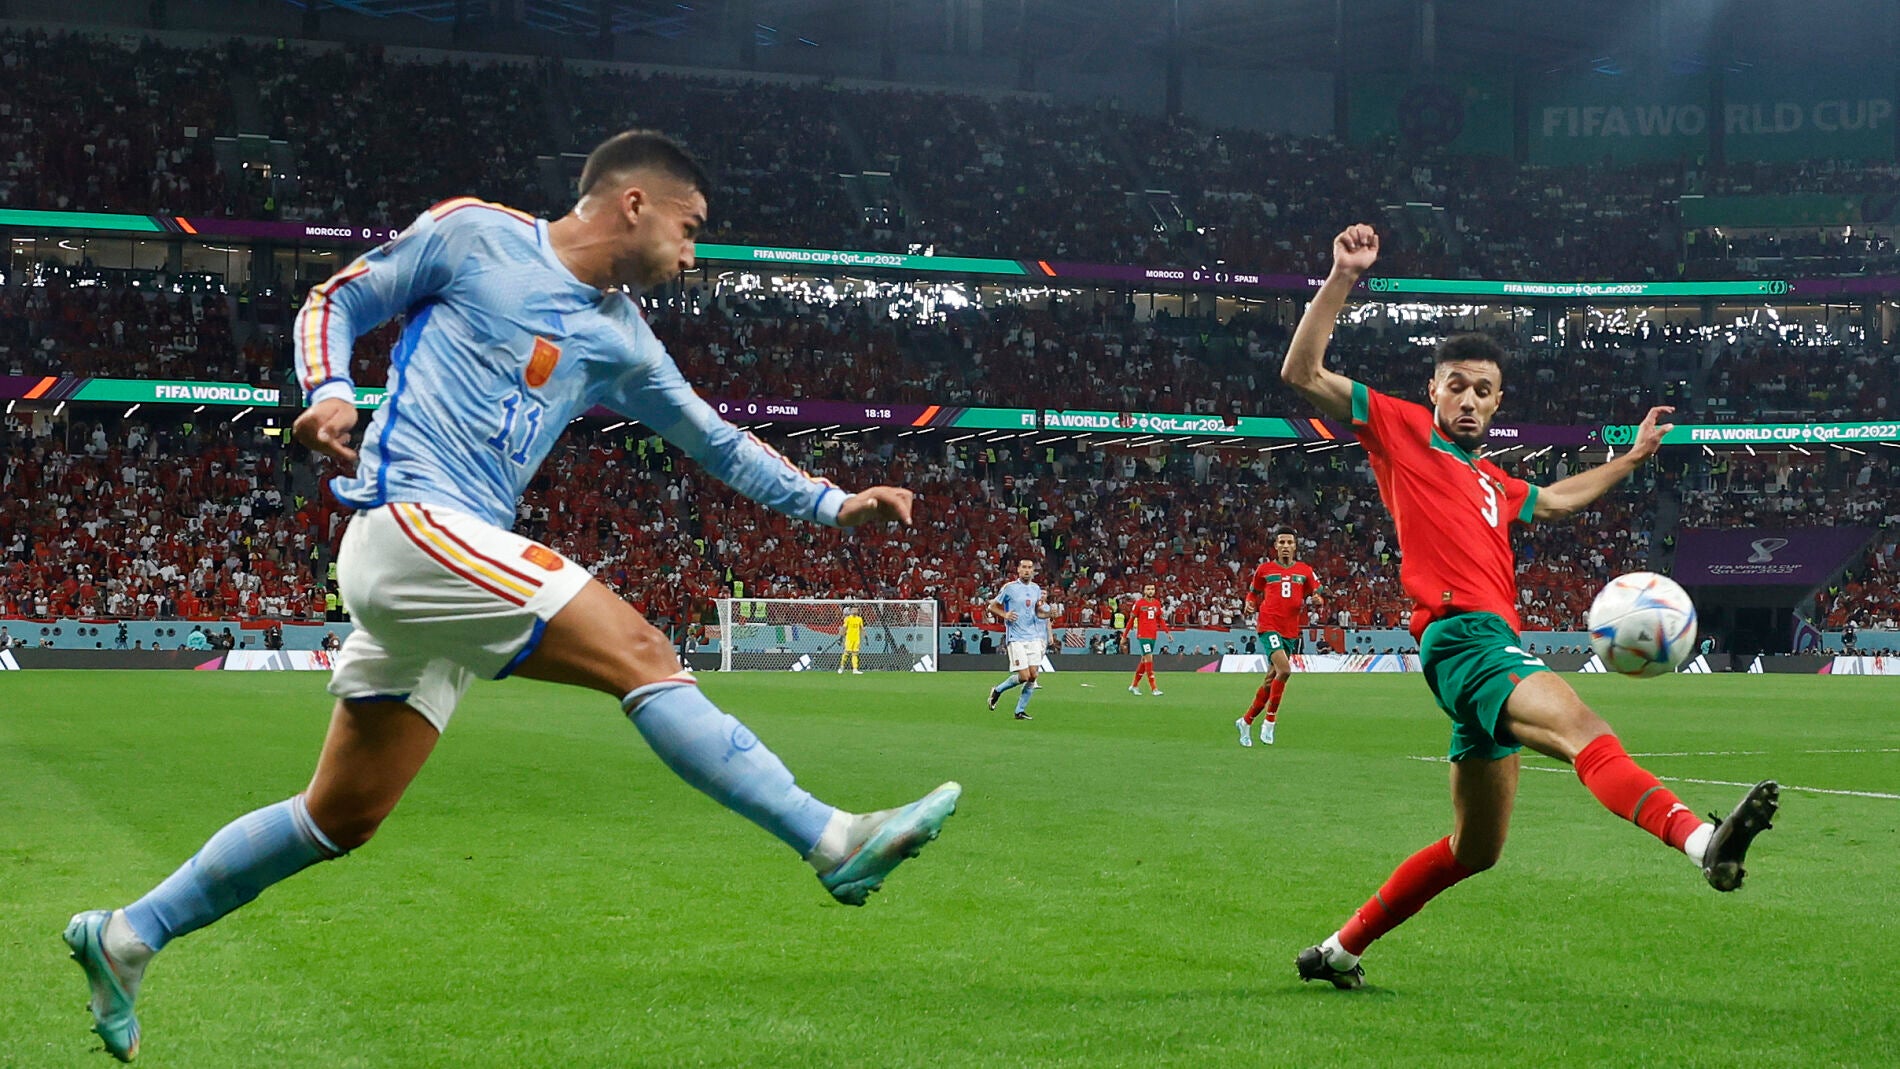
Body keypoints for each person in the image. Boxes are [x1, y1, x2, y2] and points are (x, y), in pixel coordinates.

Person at [62, 130, 961, 1063]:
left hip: (448, 562)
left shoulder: (623, 337)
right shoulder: (476, 234)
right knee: (644, 652)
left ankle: (126, 935)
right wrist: (328, 390)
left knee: (339, 815)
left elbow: (714, 438)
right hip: (409, 523)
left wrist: (832, 502)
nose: (694, 255)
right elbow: (338, 297)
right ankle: (831, 838)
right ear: (635, 203)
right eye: (691, 228)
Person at [1280, 223, 1779, 990]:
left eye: (1483, 391)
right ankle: (1700, 840)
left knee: (1474, 849)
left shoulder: (1492, 480)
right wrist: (1344, 275)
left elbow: (1555, 500)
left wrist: (1632, 457)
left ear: (1498, 401)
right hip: (1466, 640)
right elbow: (1302, 370)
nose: (1469, 399)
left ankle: (1338, 950)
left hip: (1479, 650)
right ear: (1434, 390)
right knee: (1585, 730)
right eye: (1457, 385)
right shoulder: (1402, 429)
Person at [1237, 528, 1322, 746]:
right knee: (1285, 670)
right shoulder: (1264, 569)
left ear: (1295, 546)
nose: (1285, 546)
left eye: (1289, 542)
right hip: (1269, 625)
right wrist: (1249, 603)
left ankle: (1246, 721)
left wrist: (1317, 600)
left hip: (1290, 630)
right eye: (1281, 542)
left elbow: (1317, 593)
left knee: (1270, 679)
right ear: (1275, 546)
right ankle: (1270, 722)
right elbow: (1253, 593)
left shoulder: (1305, 571)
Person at [985, 558, 1056, 721]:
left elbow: (1037, 612)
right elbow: (992, 606)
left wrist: (1048, 614)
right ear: (1018, 570)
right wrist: (1005, 614)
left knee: (1033, 676)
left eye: (1030, 567)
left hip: (1033, 637)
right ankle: (998, 690)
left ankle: (1020, 711)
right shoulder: (1009, 588)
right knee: (1024, 676)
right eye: (1024, 567)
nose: (1027, 570)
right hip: (1016, 638)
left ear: (1033, 571)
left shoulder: (1036, 589)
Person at [1123, 581, 1172, 696]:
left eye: (1152, 589)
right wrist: (1124, 636)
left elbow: (1160, 619)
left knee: (1144, 661)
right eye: (1148, 589)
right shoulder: (1139, 604)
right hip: (1143, 636)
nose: (1150, 591)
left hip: (1153, 636)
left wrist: (1167, 632)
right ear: (1144, 591)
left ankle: (1134, 685)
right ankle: (1154, 688)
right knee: (1149, 659)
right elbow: (1131, 621)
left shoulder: (1157, 603)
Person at [838, 605, 865, 674]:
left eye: (856, 609)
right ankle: (841, 667)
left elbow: (862, 629)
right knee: (846, 653)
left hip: (856, 639)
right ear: (851, 611)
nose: (855, 611)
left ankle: (855, 669)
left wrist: (864, 637)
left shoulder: (859, 619)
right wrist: (841, 638)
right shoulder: (847, 619)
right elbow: (844, 628)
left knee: (855, 654)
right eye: (853, 609)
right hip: (849, 639)